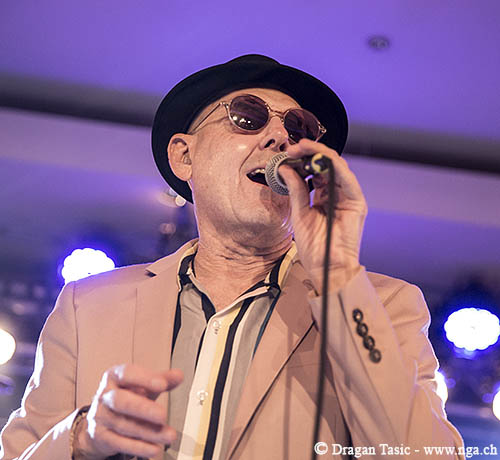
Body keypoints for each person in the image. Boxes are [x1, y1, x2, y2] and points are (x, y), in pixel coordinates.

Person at [0, 54, 464, 460]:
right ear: (184, 156)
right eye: (248, 117)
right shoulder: (88, 305)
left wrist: (338, 274)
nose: (280, 137)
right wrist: (82, 437)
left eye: (299, 129)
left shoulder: (384, 305)